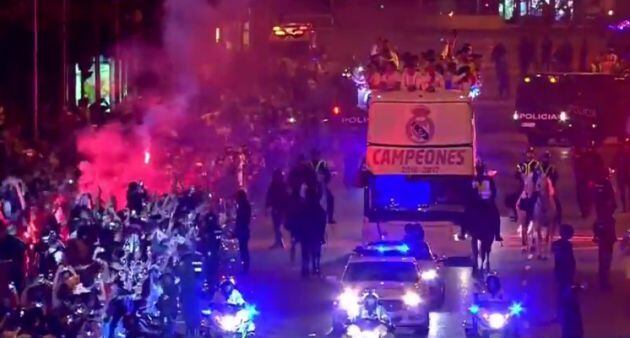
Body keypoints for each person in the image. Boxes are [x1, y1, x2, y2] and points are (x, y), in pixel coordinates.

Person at [310, 149, 335, 224]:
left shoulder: (322, 164)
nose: (315, 157)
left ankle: (330, 217)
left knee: (330, 198)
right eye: (314, 155)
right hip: (310, 186)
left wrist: (324, 178)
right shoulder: (308, 165)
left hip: (321, 185)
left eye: (316, 155)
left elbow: (328, 175)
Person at [265, 169, 288, 249]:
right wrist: (267, 206)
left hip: (281, 208)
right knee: (277, 225)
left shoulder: (282, 185)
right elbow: (269, 196)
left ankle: (279, 241)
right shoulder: (274, 185)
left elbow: (286, 196)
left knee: (278, 225)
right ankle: (279, 241)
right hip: (277, 208)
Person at [539, 151, 562, 223]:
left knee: (557, 202)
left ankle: (558, 219)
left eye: (547, 158)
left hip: (549, 188)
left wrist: (550, 180)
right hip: (539, 187)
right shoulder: (538, 167)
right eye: (544, 158)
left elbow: (556, 177)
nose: (546, 159)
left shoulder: (552, 168)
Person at [234, 190, 251, 274]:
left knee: (243, 248)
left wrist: (236, 230)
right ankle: (245, 265)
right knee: (244, 248)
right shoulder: (245, 206)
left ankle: (245, 266)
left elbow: (240, 220)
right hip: (244, 229)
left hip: (243, 229)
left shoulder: (242, 207)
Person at [614, 140, 630, 212]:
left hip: (625, 174)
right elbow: (614, 162)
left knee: (624, 191)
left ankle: (626, 207)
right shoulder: (619, 154)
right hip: (622, 174)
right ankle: (624, 207)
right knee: (622, 192)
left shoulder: (620, 154)